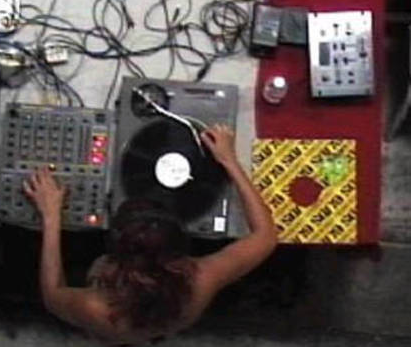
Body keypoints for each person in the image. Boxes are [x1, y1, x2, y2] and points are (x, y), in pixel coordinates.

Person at [22, 124, 277, 344]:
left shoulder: (95, 308)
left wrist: (51, 216)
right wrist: (229, 160)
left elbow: (52, 296)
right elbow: (266, 235)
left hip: (111, 332)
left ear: (115, 254)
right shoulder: (201, 281)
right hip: (162, 325)